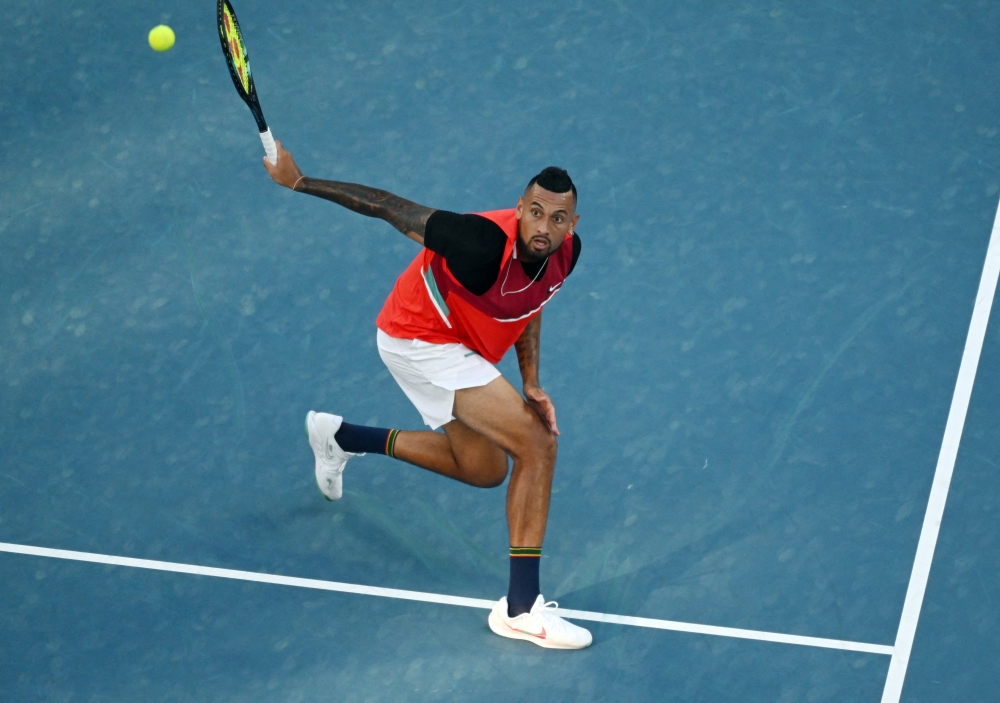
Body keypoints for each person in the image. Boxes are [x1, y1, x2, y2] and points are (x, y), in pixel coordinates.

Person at [263, 142, 592, 649]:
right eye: (534, 213)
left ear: (572, 224)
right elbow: (390, 207)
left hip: (460, 343)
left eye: (557, 218)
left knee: (485, 469)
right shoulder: (480, 243)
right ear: (520, 208)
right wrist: (302, 181)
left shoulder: (563, 256)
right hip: (417, 336)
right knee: (537, 444)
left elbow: (532, 300)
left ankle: (341, 438)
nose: (543, 227)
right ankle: (520, 609)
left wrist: (530, 380)